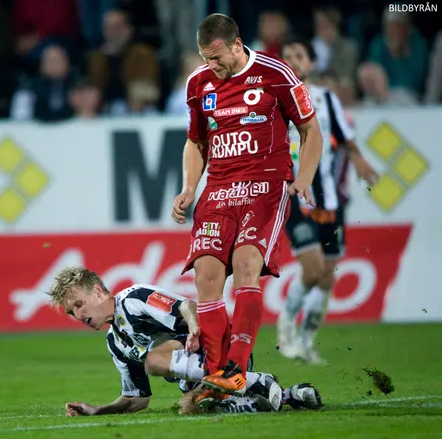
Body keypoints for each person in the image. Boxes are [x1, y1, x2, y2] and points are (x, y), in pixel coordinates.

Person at [171, 13, 323, 404]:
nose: (212, 66)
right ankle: (215, 377)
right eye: (205, 58)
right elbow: (196, 142)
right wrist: (189, 187)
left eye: (217, 57)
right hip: (218, 190)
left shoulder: (276, 74)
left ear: (237, 45)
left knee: (244, 267)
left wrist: (303, 177)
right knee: (206, 276)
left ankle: (236, 370)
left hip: (264, 188)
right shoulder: (198, 84)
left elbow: (310, 129)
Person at [47, 267, 323, 416]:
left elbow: (185, 305)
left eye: (79, 304)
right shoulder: (115, 343)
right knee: (190, 406)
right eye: (71, 312)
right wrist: (98, 410)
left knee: (154, 361)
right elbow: (137, 399)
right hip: (201, 377)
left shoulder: (133, 298)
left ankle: (254, 381)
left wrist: (193, 328)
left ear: (97, 291)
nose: (78, 315)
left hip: (221, 353)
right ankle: (290, 395)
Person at [276, 38, 379, 364]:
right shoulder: (274, 100)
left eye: (299, 55)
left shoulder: (326, 99)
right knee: (312, 268)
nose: (294, 60)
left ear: (310, 63)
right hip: (294, 196)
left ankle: (305, 340)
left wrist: (360, 161)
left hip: (329, 200)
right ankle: (285, 330)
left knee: (327, 274)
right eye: (288, 56)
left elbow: (346, 140)